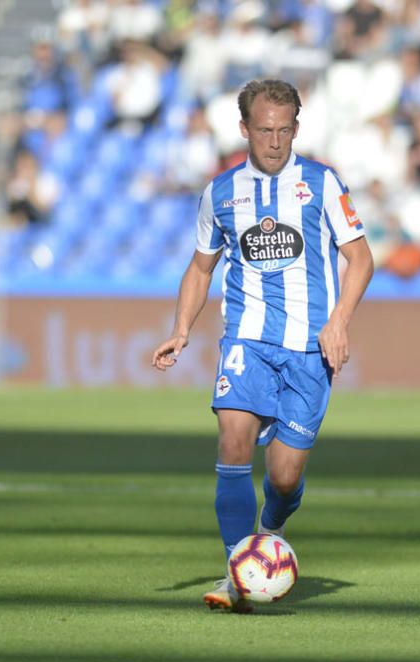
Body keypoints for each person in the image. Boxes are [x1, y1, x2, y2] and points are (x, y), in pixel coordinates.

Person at [151, 79, 374, 613]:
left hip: (308, 350)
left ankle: (270, 531)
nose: (274, 141)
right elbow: (201, 268)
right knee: (232, 441)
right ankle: (238, 571)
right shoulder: (221, 192)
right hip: (245, 340)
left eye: (284, 130)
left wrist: (339, 320)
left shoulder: (321, 184)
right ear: (245, 129)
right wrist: (182, 329)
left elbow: (361, 258)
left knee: (284, 475)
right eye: (264, 130)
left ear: (296, 129)